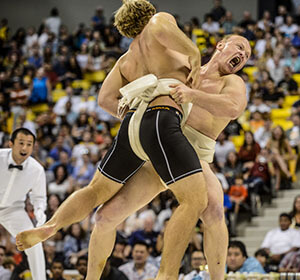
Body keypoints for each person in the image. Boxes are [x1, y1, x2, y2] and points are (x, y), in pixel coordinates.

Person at [16, 1, 251, 280]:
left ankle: (216, 278)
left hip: (189, 148)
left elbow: (233, 109)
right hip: (161, 141)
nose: (243, 54)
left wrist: (191, 96)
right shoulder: (184, 59)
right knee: (107, 216)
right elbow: (163, 39)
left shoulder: (232, 82)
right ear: (220, 45)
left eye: (247, 54)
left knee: (212, 209)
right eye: (239, 46)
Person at [0, 128, 47, 280]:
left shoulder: (37, 170)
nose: (25, 148)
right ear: (11, 144)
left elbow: (39, 197)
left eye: (29, 144)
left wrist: (40, 212)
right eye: (21, 143)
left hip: (13, 210)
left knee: (34, 243)